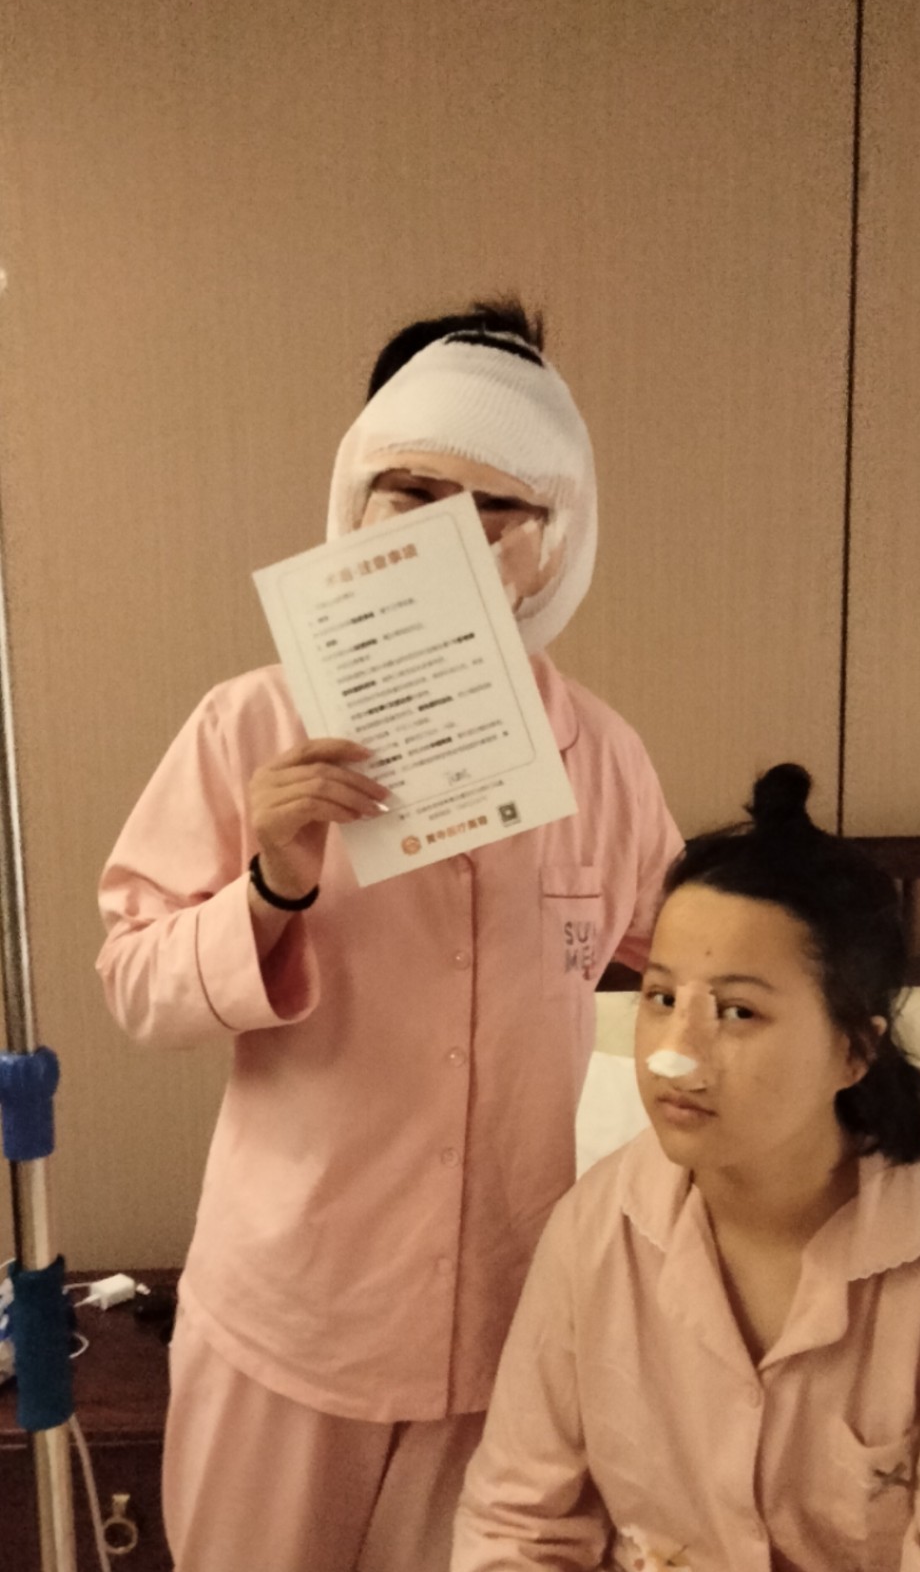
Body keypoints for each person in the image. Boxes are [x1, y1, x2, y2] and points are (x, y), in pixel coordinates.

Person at [96, 299, 680, 1572]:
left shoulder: (605, 762)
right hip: (291, 1322)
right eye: (411, 492)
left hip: (507, 1335)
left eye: (495, 509)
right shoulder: (248, 727)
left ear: (553, 537)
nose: (447, 537)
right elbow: (134, 985)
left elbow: (686, 968)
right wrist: (270, 883)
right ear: (355, 500)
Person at [452, 764, 920, 1571]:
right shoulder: (594, 1232)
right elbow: (515, 1525)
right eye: (659, 998)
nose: (675, 1055)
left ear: (853, 1051)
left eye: (737, 1011)